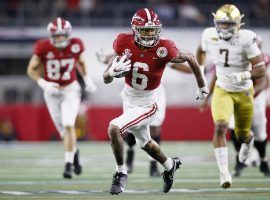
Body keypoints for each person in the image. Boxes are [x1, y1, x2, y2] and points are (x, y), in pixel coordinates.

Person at [103, 8, 208, 195]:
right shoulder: (122, 42)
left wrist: (201, 85)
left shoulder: (164, 48)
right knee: (144, 143)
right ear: (135, 30)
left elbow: (191, 57)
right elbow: (106, 78)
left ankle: (120, 173)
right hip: (128, 98)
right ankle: (170, 165)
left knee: (114, 127)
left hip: (147, 103)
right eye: (145, 30)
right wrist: (111, 72)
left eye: (153, 30)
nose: (150, 34)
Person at [196, 4, 266, 189]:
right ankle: (224, 173)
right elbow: (201, 51)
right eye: (221, 24)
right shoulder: (208, 34)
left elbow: (261, 69)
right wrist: (201, 75)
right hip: (222, 89)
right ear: (215, 23)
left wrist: (243, 75)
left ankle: (248, 140)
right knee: (220, 127)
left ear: (237, 24)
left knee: (242, 135)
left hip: (243, 91)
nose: (224, 28)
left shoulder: (247, 38)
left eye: (228, 24)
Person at [27, 17, 97, 179]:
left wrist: (87, 80)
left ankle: (68, 164)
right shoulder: (43, 46)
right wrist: (43, 83)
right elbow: (31, 69)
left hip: (70, 89)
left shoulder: (75, 44)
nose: (59, 38)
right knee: (63, 133)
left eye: (61, 35)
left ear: (68, 34)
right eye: (55, 35)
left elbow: (81, 62)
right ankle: (75, 153)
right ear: (50, 35)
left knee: (68, 125)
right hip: (51, 92)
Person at [96, 51, 166, 177]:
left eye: (151, 30)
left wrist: (198, 70)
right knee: (130, 128)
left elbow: (178, 60)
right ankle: (130, 156)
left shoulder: (161, 49)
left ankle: (154, 164)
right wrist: (109, 63)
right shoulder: (129, 44)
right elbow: (117, 55)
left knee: (155, 128)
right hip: (133, 93)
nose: (148, 34)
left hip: (152, 94)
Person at [228, 35, 270, 177]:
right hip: (238, 97)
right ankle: (240, 161)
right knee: (234, 129)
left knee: (260, 135)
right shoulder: (235, 58)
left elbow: (264, 81)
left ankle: (263, 161)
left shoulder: (262, 59)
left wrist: (251, 92)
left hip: (256, 99)